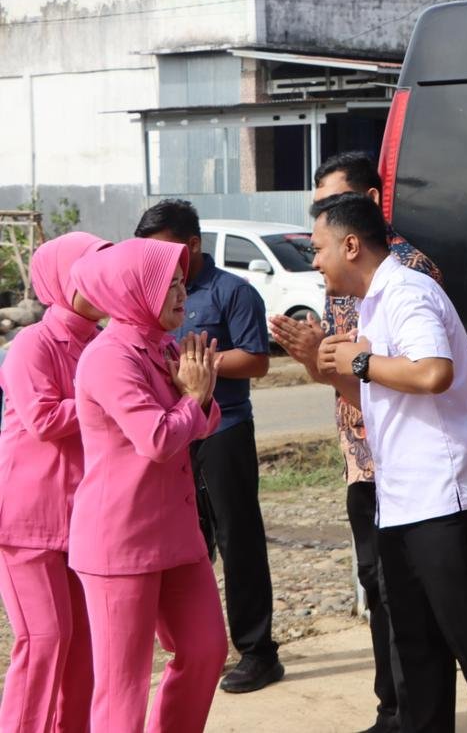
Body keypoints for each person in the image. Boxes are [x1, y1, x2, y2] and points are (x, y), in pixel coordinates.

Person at [309, 193, 467, 733]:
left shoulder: (408, 291)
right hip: (402, 499)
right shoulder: (373, 303)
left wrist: (360, 360)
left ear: (351, 245)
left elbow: (433, 372)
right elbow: (376, 397)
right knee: (416, 647)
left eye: (318, 248)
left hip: (444, 496)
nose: (315, 262)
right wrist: (327, 367)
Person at [269, 150, 441, 733]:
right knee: (376, 582)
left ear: (365, 205)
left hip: (403, 458)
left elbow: (415, 373)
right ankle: (391, 707)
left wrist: (337, 361)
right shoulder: (337, 275)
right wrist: (312, 354)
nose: (316, 233)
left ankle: (411, 711)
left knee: (407, 594)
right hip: (360, 456)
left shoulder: (408, 273)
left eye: (331, 206)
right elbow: (342, 369)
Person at [69, 238, 228, 732]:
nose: (182, 294)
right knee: (123, 686)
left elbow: (205, 421)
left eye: (182, 283)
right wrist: (193, 399)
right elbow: (157, 439)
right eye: (168, 286)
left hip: (175, 533)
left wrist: (199, 398)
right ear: (134, 291)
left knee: (205, 649)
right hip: (120, 539)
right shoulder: (108, 357)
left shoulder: (162, 344)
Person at [135, 199, 282, 694]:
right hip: (175, 433)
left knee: (239, 539)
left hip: (223, 430)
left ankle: (258, 652)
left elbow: (257, 361)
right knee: (186, 543)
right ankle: (197, 649)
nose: (156, 263)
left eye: (163, 251)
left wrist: (197, 368)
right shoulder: (152, 292)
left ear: (192, 245)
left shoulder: (232, 292)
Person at [0, 232, 108, 732]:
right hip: (27, 518)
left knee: (85, 648)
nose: (101, 286)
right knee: (44, 640)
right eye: (89, 276)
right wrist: (107, 398)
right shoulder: (32, 343)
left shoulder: (105, 341)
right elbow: (43, 419)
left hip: (83, 516)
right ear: (63, 280)